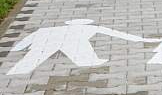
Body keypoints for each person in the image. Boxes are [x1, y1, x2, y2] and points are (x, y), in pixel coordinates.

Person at [7, 19, 152, 75]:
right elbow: (115, 34)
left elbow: (29, 38)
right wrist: (141, 39)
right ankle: (88, 61)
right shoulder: (89, 28)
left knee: (33, 57)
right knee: (78, 46)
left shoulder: (47, 30)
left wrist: (17, 48)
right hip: (69, 42)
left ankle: (19, 69)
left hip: (47, 42)